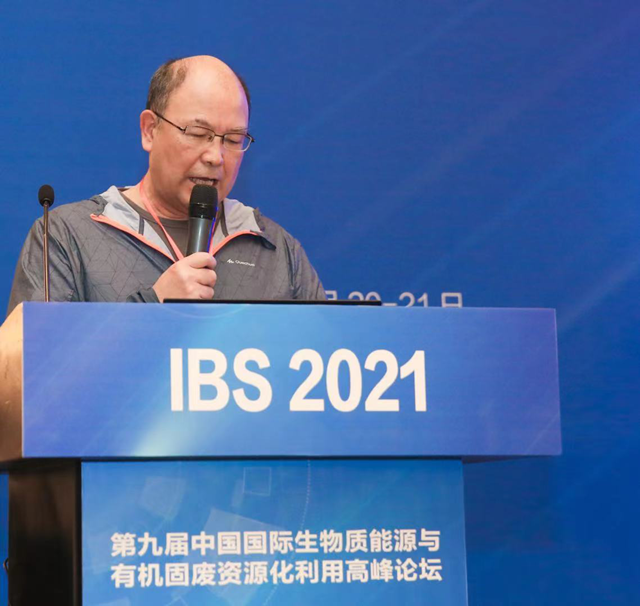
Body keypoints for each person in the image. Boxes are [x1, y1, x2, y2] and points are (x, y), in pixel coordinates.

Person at [7, 56, 324, 315]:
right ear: (149, 130)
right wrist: (152, 304)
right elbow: (34, 362)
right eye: (198, 134)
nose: (215, 156)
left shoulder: (276, 250)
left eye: (233, 139)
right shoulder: (68, 237)